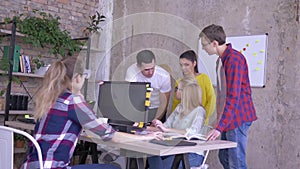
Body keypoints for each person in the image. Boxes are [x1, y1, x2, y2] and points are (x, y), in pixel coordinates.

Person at [20, 56, 161, 169]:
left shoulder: (50, 98)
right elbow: (110, 136)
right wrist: (145, 137)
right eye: (83, 77)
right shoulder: (73, 101)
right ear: (77, 78)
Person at [200, 24, 257, 169]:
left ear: (214, 43)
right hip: (230, 117)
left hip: (238, 118)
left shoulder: (234, 60)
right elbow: (222, 95)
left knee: (236, 162)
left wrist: (219, 128)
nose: (203, 49)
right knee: (224, 157)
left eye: (204, 45)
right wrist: (219, 121)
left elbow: (233, 97)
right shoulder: (222, 60)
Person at [147, 77, 206, 169]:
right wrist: (145, 128)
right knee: (151, 154)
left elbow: (192, 132)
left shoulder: (199, 111)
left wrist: (167, 129)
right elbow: (165, 127)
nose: (175, 91)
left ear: (186, 92)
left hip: (191, 153)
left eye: (178, 89)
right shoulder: (179, 108)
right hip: (173, 149)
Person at [170, 50, 216, 125]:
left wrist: (203, 117)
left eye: (186, 65)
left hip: (200, 124)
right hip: (183, 123)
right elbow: (176, 104)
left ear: (194, 63)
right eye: (181, 65)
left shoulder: (204, 78)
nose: (183, 68)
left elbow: (211, 100)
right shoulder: (179, 82)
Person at [125, 50, 171, 122]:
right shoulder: (131, 71)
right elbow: (130, 96)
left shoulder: (164, 76)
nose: (150, 72)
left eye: (152, 68)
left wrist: (156, 120)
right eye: (146, 69)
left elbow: (164, 103)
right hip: (138, 108)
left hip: (157, 108)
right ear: (138, 66)